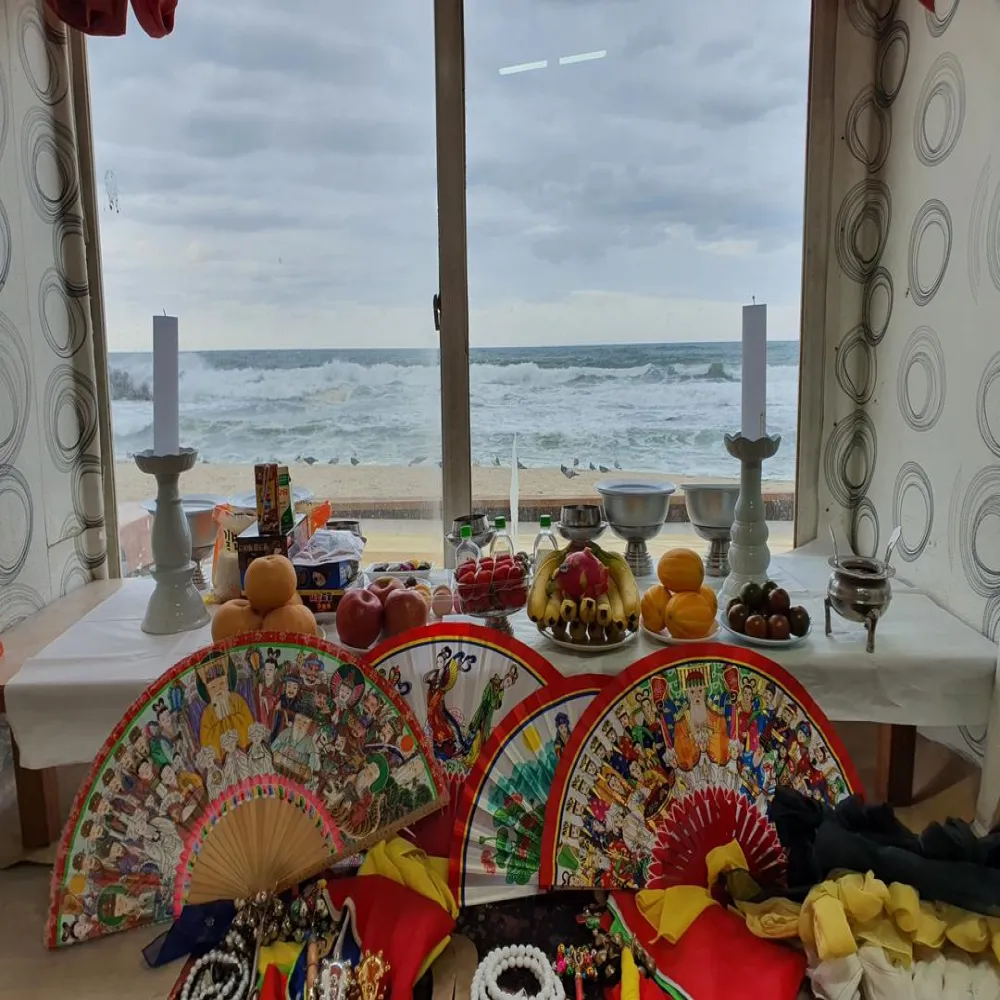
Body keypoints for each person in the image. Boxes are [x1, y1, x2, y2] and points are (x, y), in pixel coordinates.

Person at [195, 655, 254, 757]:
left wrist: (228, 721)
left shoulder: (236, 699)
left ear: (227, 682)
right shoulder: (207, 712)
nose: (218, 689)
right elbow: (206, 741)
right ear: (207, 691)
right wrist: (222, 726)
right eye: (213, 687)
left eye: (222, 683)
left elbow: (248, 722)